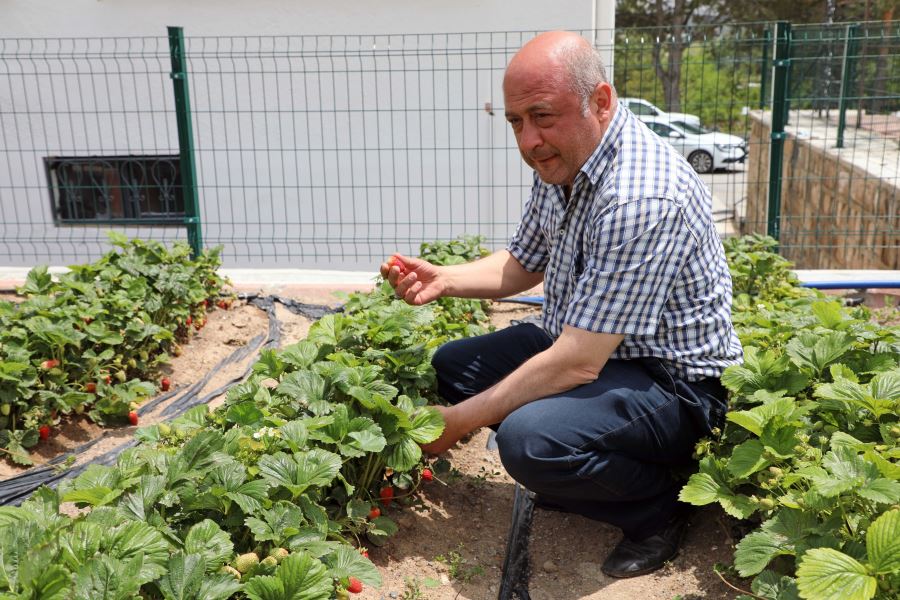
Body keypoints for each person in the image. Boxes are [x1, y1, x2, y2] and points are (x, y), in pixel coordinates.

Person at [380, 30, 742, 578]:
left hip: (672, 384)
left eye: (542, 116)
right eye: (515, 122)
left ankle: (657, 508)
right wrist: (444, 279)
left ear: (601, 101)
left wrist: (455, 424)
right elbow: (524, 262)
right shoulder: (563, 161)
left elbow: (578, 360)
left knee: (529, 442)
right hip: (593, 346)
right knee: (455, 368)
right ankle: (588, 469)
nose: (529, 140)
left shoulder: (641, 195)